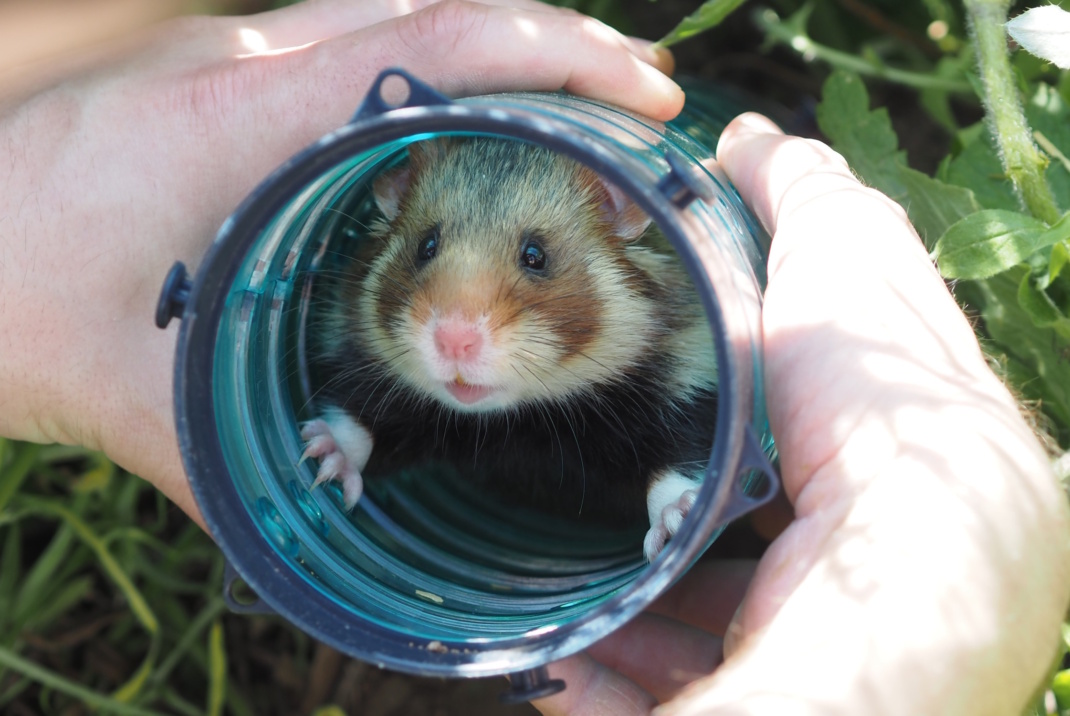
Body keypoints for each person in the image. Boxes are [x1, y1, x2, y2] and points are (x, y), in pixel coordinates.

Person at [1, 1, 1067, 714]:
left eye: (533, 259)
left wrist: (679, 487)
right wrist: (347, 431)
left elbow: (686, 426)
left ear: (624, 220)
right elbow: (379, 398)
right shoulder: (383, 336)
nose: (454, 330)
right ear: (389, 204)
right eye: (425, 250)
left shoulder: (672, 358)